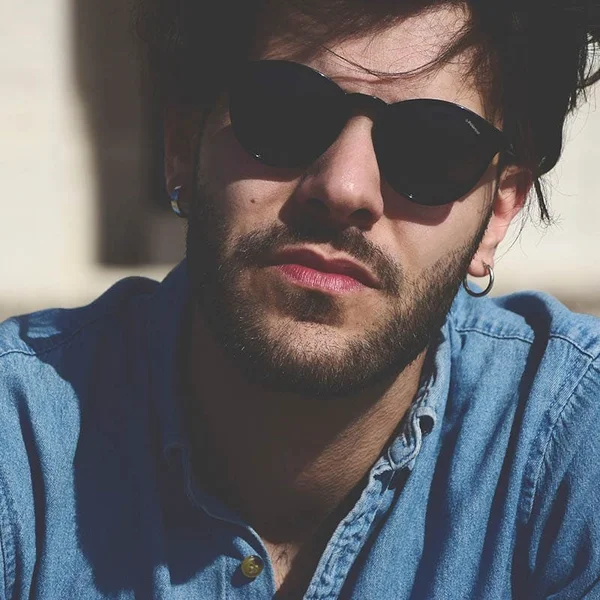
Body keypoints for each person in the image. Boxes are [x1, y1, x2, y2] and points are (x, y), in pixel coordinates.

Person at [1, 1, 600, 598]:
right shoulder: (20, 441)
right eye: (283, 111)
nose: (344, 188)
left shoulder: (570, 439)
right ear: (182, 144)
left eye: (432, 147)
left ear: (498, 212)